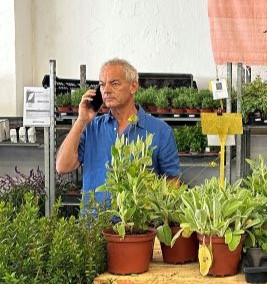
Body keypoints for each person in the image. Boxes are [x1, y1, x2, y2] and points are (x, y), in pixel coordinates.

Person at [56, 58, 180, 204]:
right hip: (95, 223)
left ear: (133, 86)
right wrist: (81, 120)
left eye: (114, 83)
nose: (106, 90)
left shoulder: (160, 131)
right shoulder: (92, 128)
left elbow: (173, 181)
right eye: (102, 85)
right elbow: (62, 167)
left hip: (140, 225)